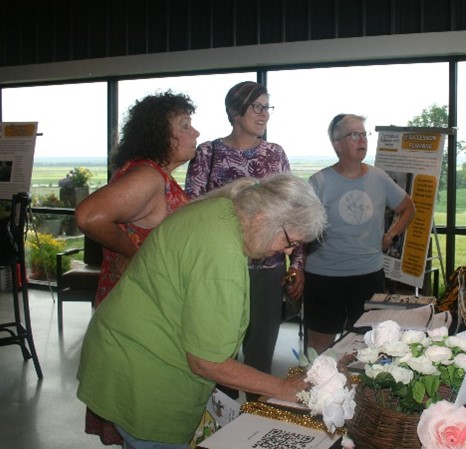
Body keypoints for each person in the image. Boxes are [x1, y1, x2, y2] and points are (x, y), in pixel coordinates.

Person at [76, 173, 327, 448]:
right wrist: (281, 388)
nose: (287, 251)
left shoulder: (223, 209)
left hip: (124, 351)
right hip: (143, 374)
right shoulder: (222, 260)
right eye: (290, 241)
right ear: (262, 220)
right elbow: (207, 360)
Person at [75, 90, 198, 445]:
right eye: (185, 126)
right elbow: (89, 215)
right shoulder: (148, 176)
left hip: (135, 314)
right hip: (138, 321)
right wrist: (138, 253)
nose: (196, 133)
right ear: (162, 134)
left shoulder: (149, 173)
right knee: (144, 420)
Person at [185, 81, 302, 382]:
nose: (264, 114)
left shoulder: (275, 154)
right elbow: (191, 211)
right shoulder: (207, 153)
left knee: (260, 355)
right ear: (234, 111)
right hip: (219, 267)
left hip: (267, 271)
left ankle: (253, 423)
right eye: (257, 107)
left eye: (267, 107)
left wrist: (297, 265)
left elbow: (292, 211)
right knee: (217, 354)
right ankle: (219, 422)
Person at [303, 113, 416, 353]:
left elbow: (408, 208)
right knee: (320, 349)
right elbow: (300, 227)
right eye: (354, 135)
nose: (362, 140)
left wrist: (391, 235)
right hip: (324, 277)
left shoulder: (379, 177)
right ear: (337, 143)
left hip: (367, 275)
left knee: (370, 345)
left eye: (364, 134)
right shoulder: (318, 182)